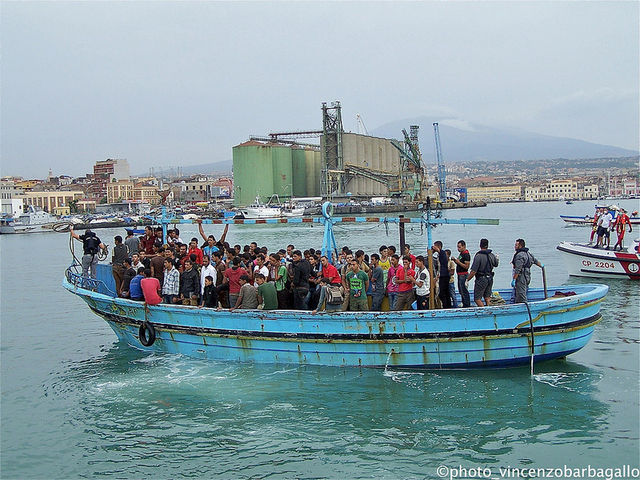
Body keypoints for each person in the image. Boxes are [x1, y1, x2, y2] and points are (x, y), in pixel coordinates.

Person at [466, 238, 499, 307]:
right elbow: (496, 264)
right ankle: (490, 310)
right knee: (487, 297)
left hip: (481, 279)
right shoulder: (491, 255)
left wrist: (467, 279)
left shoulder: (478, 256)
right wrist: (497, 259)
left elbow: (473, 271)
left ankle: (484, 311)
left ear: (480, 245)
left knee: (477, 299)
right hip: (490, 278)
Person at [511, 238, 543, 303]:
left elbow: (518, 269)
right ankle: (517, 303)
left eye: (516, 245)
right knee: (522, 291)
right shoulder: (528, 254)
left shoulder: (520, 255)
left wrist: (514, 279)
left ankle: (524, 307)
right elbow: (536, 261)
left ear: (520, 246)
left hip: (521, 277)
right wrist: (542, 265)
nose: (515, 247)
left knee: (521, 294)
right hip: (527, 276)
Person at [452, 240, 471, 308]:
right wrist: (455, 261)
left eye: (459, 247)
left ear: (464, 246)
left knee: (464, 291)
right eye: (457, 247)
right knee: (461, 290)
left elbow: (466, 266)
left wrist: (458, 262)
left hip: (463, 274)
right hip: (459, 274)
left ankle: (467, 305)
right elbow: (459, 262)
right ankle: (464, 302)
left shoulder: (466, 255)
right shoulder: (461, 254)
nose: (458, 249)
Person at [433, 241, 451, 309]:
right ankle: (448, 306)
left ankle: (446, 306)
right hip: (442, 275)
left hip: (444, 275)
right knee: (446, 292)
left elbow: (439, 251)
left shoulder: (443, 253)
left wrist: (436, 249)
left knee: (442, 293)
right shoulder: (439, 254)